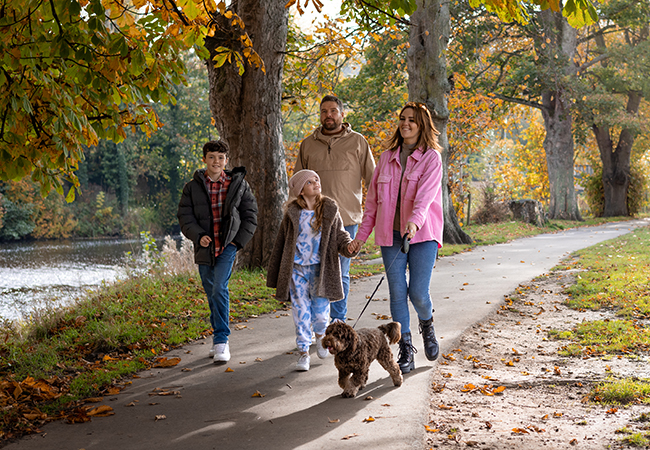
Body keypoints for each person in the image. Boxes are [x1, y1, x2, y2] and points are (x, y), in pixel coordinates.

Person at [348, 102, 444, 374]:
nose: (406, 123)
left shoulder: (431, 158)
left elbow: (425, 198)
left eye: (412, 120)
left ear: (422, 124)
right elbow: (373, 204)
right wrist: (360, 239)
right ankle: (406, 348)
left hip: (422, 235)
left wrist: (413, 223)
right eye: (402, 118)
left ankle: (427, 324)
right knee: (397, 293)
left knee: (418, 293)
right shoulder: (387, 157)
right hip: (391, 235)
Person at [294, 95, 375, 323]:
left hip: (347, 218)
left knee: (341, 273)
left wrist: (374, 213)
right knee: (313, 273)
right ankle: (315, 322)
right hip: (314, 219)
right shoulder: (308, 144)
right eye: (323, 111)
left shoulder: (358, 142)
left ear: (342, 114)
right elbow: (298, 183)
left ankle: (337, 322)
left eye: (332, 111)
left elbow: (373, 181)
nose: (328, 115)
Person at [267, 170, 357, 371]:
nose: (316, 183)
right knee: (300, 312)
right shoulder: (293, 213)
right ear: (300, 191)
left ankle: (321, 337)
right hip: (297, 270)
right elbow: (282, 242)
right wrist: (275, 271)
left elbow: (340, 235)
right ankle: (303, 352)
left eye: (316, 179)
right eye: (309, 182)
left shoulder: (329, 209)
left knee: (320, 314)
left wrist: (348, 247)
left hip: (321, 271)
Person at [177, 140, 258, 364]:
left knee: (220, 287)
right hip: (204, 248)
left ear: (226, 160)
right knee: (211, 292)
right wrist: (197, 235)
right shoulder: (192, 187)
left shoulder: (237, 184)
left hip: (227, 247)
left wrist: (237, 242)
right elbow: (185, 217)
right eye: (212, 157)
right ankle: (217, 335)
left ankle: (222, 339)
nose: (216, 162)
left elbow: (250, 216)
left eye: (221, 158)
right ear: (204, 159)